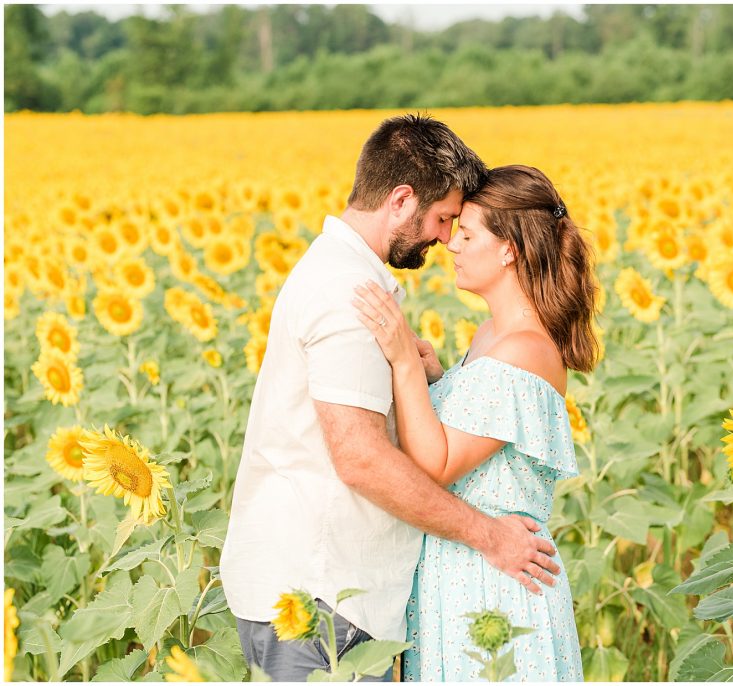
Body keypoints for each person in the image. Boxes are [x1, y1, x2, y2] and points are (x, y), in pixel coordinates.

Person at [220, 116, 565, 682]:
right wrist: (487, 534)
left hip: (333, 596)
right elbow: (359, 458)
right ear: (402, 200)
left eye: (458, 226)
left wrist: (424, 375)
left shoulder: (347, 279)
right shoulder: (348, 294)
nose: (444, 237)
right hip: (323, 596)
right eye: (443, 218)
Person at [353, 164, 599, 681]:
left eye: (466, 233)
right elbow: (473, 435)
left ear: (509, 249)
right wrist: (439, 381)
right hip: (464, 570)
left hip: (495, 586)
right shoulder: (492, 336)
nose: (452, 245)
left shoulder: (525, 350)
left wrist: (402, 363)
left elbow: (437, 465)